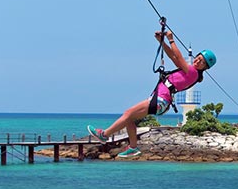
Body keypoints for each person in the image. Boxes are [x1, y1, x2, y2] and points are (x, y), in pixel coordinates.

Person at [87, 29, 217, 158]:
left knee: (127, 113)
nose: (198, 61)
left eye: (202, 62)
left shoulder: (193, 73)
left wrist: (171, 40)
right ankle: (133, 147)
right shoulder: (189, 70)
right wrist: (161, 42)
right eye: (198, 58)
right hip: (160, 100)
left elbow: (178, 56)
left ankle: (104, 135)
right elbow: (173, 57)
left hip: (161, 100)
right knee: (129, 119)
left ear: (205, 67)